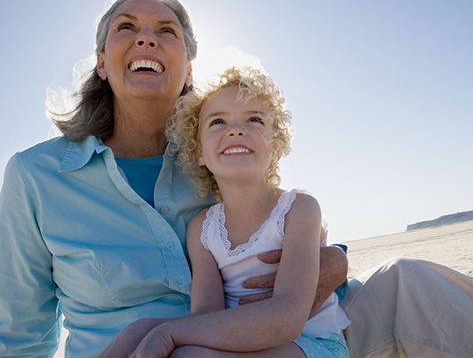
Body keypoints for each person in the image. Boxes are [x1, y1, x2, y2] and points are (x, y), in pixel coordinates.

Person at [1, 0, 473, 358]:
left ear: (188, 68)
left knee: (408, 281)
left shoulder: (220, 148)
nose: (146, 36)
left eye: (166, 30)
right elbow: (21, 334)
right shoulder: (36, 178)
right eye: (125, 27)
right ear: (103, 61)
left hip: (278, 334)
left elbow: (295, 228)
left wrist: (334, 259)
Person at [100, 66, 351, 357]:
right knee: (134, 333)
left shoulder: (299, 209)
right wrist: (150, 331)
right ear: (199, 153)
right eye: (218, 122)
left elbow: (289, 317)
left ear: (277, 146)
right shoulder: (202, 228)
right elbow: (206, 315)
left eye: (254, 119)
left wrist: (168, 332)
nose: (236, 129)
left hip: (310, 342)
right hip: (240, 341)